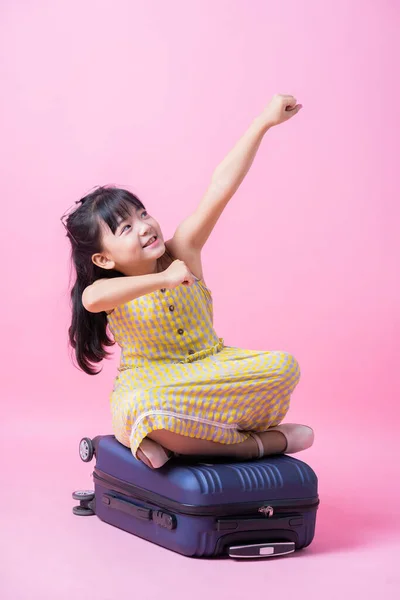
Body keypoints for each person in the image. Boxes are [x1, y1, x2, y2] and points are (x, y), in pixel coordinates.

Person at [62, 93, 314, 469]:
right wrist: (163, 278)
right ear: (103, 258)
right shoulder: (109, 290)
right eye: (126, 227)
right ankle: (252, 446)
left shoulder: (183, 249)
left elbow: (220, 187)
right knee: (140, 407)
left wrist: (263, 122)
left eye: (143, 214)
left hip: (212, 371)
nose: (145, 227)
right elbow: (92, 299)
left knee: (283, 367)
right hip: (156, 384)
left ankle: (176, 441)